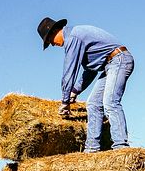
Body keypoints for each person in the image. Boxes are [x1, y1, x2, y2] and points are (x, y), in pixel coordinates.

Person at [37, 17, 134, 152]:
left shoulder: (73, 38)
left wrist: (65, 101)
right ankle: (92, 149)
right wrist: (75, 91)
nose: (52, 44)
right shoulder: (77, 38)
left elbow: (69, 71)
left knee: (110, 102)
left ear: (55, 31)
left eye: (49, 41)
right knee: (93, 104)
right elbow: (91, 71)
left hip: (119, 60)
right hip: (109, 65)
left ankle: (121, 147)